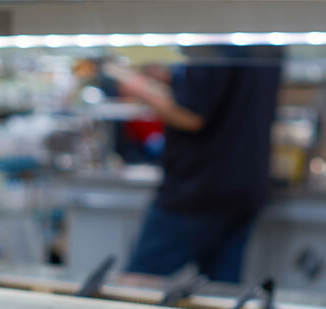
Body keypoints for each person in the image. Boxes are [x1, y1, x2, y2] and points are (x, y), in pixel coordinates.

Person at [109, 46, 283, 283]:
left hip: (198, 189)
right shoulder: (266, 35)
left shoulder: (212, 32)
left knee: (137, 287)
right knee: (218, 298)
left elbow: (191, 114)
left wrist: (138, 86)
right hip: (244, 186)